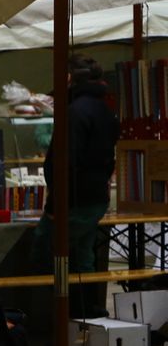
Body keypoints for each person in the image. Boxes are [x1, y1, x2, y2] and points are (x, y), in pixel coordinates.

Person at [31, 53, 119, 277]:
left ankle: (53, 305)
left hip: (73, 200)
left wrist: (54, 205)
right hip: (95, 196)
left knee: (46, 248)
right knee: (83, 254)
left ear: (69, 78)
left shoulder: (75, 112)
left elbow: (67, 162)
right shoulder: (104, 110)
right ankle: (87, 308)